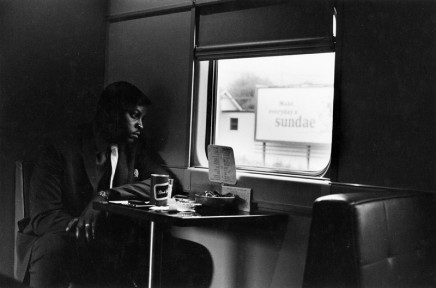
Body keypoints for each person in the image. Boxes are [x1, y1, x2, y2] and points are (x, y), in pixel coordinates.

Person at [15, 81, 175, 288]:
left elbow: (167, 182)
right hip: (60, 235)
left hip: (105, 239)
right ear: (112, 114)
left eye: (142, 118)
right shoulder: (61, 146)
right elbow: (43, 216)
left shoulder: (133, 148)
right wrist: (86, 225)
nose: (141, 125)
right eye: (135, 115)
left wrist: (106, 197)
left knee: (170, 248)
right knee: (53, 246)